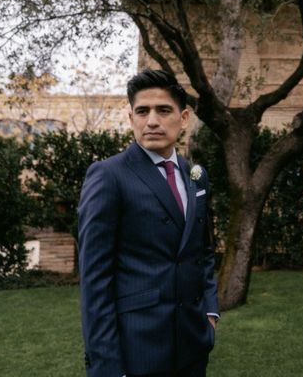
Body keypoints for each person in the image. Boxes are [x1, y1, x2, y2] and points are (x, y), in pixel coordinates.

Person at [78, 69, 218, 377]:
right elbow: (94, 280)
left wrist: (210, 313)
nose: (152, 120)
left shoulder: (196, 176)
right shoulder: (108, 176)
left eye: (163, 110)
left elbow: (202, 251)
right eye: (142, 111)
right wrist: (107, 368)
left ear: (183, 118)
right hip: (136, 352)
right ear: (131, 118)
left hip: (193, 347)